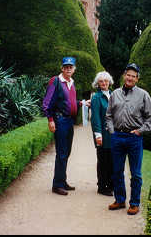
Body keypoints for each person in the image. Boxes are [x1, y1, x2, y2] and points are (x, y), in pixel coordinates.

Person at [105, 63, 151, 215]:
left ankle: (134, 203)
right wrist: (112, 131)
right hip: (118, 137)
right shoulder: (115, 94)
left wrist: (140, 131)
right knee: (117, 171)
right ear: (124, 75)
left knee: (136, 173)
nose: (130, 78)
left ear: (137, 79)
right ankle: (120, 200)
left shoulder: (143, 95)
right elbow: (108, 116)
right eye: (128, 75)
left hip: (134, 138)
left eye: (133, 76)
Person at [42, 56, 90, 196]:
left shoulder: (71, 83)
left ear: (74, 69)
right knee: (62, 153)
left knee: (66, 153)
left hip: (69, 121)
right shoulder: (56, 81)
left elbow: (69, 101)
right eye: (66, 67)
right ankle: (57, 185)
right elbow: (47, 103)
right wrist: (50, 120)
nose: (68, 69)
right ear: (62, 68)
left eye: (71, 67)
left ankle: (62, 181)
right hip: (60, 120)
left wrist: (81, 103)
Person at [90, 71, 114, 196]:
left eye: (106, 80)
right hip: (103, 135)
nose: (104, 83)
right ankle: (102, 186)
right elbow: (95, 118)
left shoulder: (114, 94)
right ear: (97, 84)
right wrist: (97, 135)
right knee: (103, 161)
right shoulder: (96, 98)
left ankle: (110, 184)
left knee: (112, 160)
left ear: (109, 82)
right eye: (101, 81)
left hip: (114, 134)